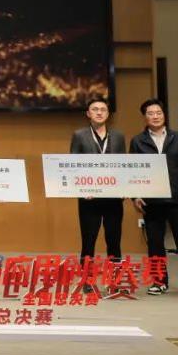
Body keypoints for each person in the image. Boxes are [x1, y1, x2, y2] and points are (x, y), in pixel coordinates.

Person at [129, 98, 178, 295]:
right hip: (152, 200)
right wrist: (135, 196)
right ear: (145, 117)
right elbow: (132, 171)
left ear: (164, 115)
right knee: (155, 243)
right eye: (150, 113)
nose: (155, 116)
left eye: (158, 113)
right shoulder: (137, 141)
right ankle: (159, 282)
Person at [69, 97, 126, 293]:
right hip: (89, 199)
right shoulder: (79, 135)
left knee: (114, 241)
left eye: (103, 109)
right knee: (88, 241)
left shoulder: (118, 136)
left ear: (108, 114)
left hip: (113, 198)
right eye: (95, 109)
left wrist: (124, 188)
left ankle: (114, 281)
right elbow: (73, 166)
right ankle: (87, 280)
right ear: (88, 113)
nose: (99, 112)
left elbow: (123, 166)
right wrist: (82, 190)